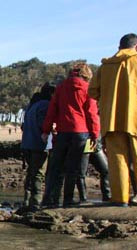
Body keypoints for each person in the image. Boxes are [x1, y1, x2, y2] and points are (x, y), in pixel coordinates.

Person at [89, 33, 137, 207]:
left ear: (119, 47)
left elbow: (92, 91)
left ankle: (119, 198)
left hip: (112, 119)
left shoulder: (105, 66)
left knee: (117, 159)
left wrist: (108, 97)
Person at [41, 63, 100, 208]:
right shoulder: (87, 89)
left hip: (63, 132)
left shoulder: (61, 88)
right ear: (86, 74)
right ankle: (68, 199)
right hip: (80, 132)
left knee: (56, 167)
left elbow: (52, 110)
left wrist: (46, 130)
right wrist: (95, 135)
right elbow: (92, 114)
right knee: (73, 168)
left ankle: (49, 199)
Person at [21, 82, 56, 209]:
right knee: (39, 174)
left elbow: (23, 126)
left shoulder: (32, 105)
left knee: (31, 173)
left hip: (27, 144)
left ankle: (26, 200)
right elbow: (43, 124)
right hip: (39, 145)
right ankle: (36, 202)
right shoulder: (45, 105)